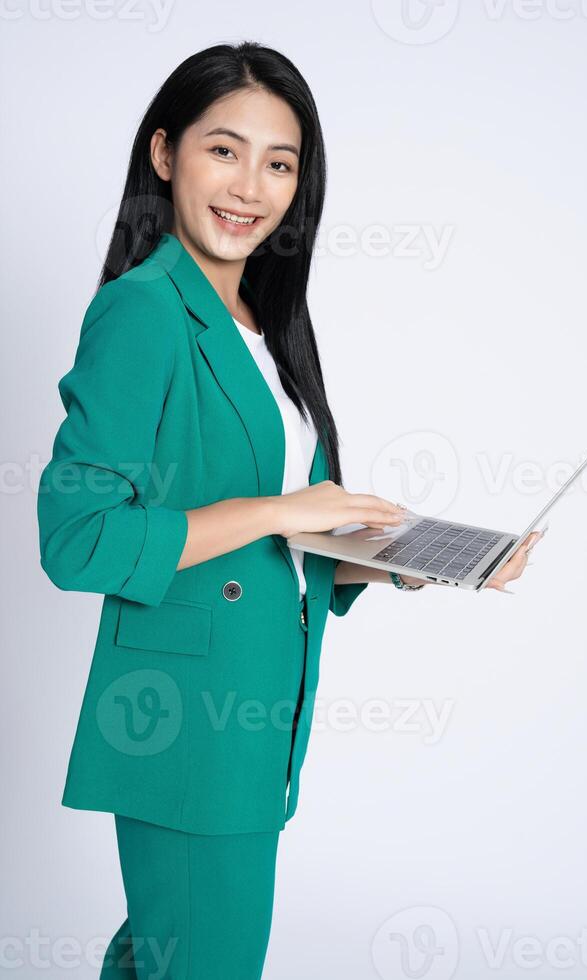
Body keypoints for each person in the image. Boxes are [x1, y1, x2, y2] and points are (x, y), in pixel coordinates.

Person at [36, 41, 542, 980]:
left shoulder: (265, 331)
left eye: (280, 162)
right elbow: (78, 540)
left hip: (259, 717)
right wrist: (275, 509)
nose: (250, 186)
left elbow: (279, 543)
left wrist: (407, 558)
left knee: (163, 954)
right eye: (223, 150)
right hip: (184, 728)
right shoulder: (144, 312)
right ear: (163, 155)